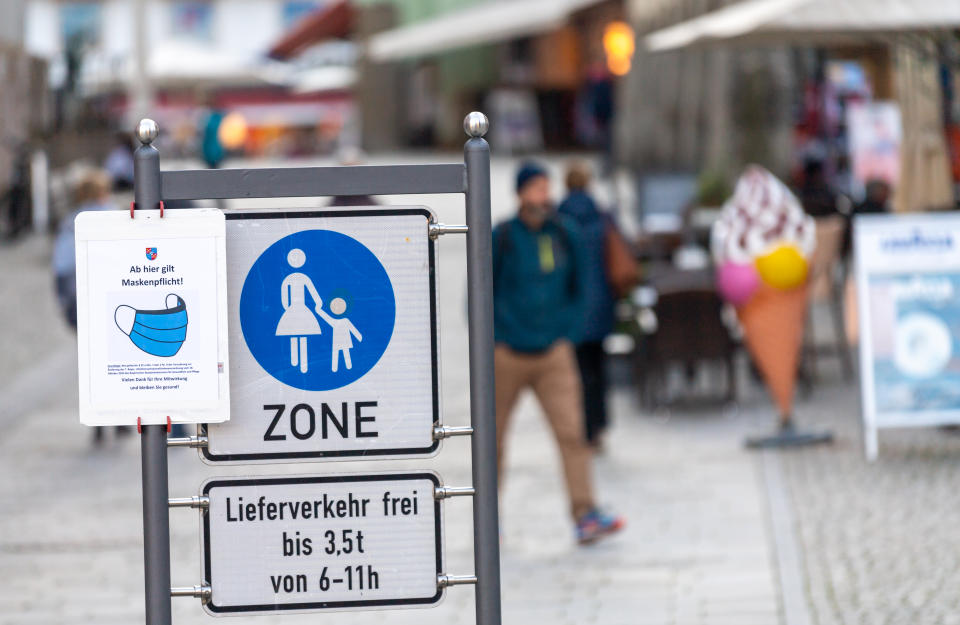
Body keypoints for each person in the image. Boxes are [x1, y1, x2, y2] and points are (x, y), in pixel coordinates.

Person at [492, 162, 624, 545]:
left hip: (553, 353)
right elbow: (480, 292)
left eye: (545, 188)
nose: (543, 196)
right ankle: (490, 519)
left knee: (572, 433)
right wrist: (496, 337)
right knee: (493, 438)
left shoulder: (565, 233)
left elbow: (584, 287)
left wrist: (568, 332)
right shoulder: (502, 236)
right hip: (507, 355)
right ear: (520, 193)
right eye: (534, 188)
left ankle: (585, 514)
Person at [52, 170, 131, 444]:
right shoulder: (114, 217)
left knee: (92, 362)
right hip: (114, 302)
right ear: (102, 192)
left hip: (81, 302)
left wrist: (66, 304)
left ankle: (98, 423)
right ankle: (120, 420)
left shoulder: (70, 222)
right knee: (118, 361)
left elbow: (61, 267)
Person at [556, 161, 615, 448]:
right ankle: (599, 426)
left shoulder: (557, 218)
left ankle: (582, 427)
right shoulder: (602, 215)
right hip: (602, 303)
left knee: (576, 372)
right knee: (599, 368)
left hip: (572, 307)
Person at [276, 248, 324, 374]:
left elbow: (284, 298)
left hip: (295, 309)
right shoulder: (299, 278)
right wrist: (318, 303)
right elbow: (313, 293)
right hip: (300, 309)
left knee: (297, 335)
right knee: (299, 335)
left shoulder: (290, 278)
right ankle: (299, 365)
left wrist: (289, 309)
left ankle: (298, 363)